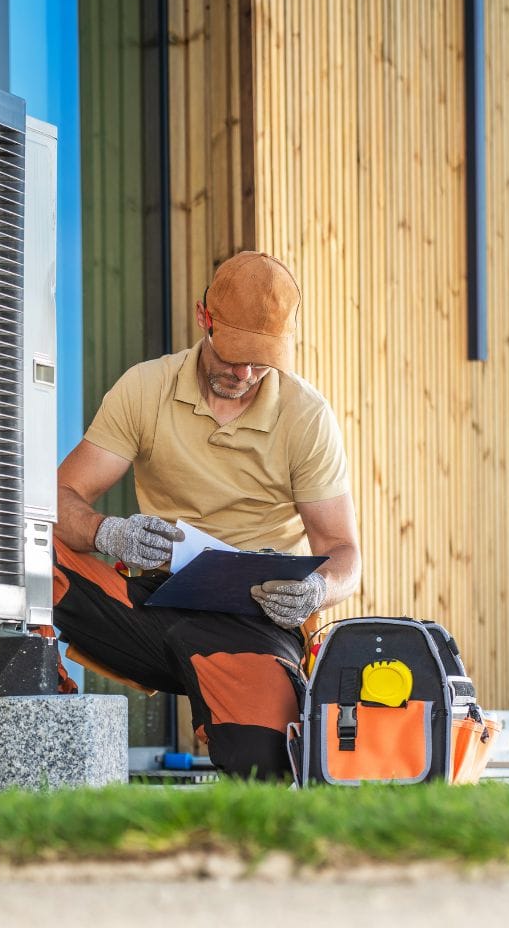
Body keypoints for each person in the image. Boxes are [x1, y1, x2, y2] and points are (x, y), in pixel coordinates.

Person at [52, 250, 362, 780]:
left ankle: (225, 704)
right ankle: (35, 694)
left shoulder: (306, 415)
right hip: (146, 606)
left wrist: (316, 592)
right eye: (234, 354)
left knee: (267, 765)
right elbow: (59, 497)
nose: (243, 374)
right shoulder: (145, 387)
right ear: (204, 318)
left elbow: (344, 552)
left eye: (260, 362)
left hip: (254, 623)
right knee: (27, 536)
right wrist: (110, 533)